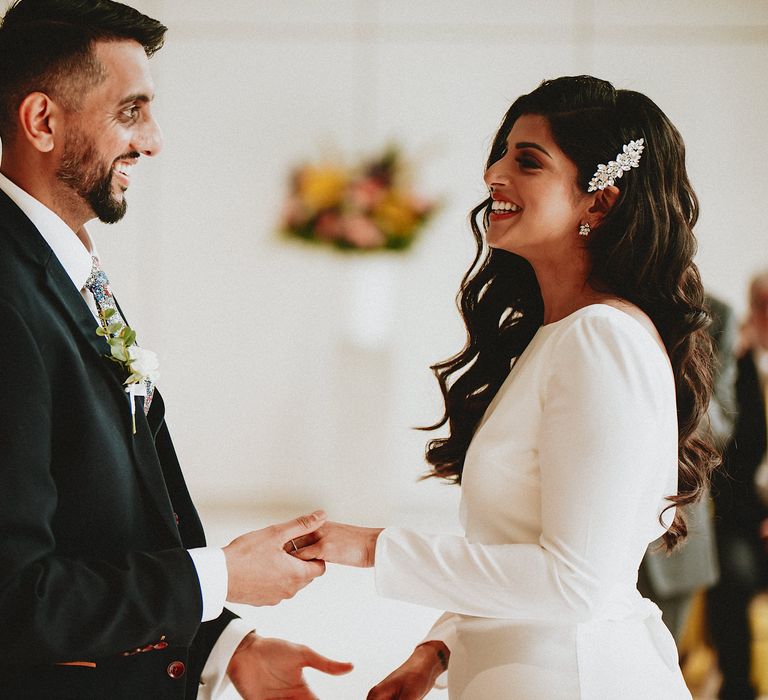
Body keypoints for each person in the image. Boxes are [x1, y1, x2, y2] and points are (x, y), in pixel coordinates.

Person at [292, 75, 718, 699]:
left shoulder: (600, 337)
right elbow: (520, 549)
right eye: (501, 154)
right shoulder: (556, 335)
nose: (494, 173)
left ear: (597, 204)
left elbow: (577, 583)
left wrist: (371, 547)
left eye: (527, 161)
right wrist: (438, 649)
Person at [0, 1, 351, 698]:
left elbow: (98, 520)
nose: (153, 141)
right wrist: (219, 574)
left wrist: (223, 642)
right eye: (130, 112)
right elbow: (18, 602)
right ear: (43, 121)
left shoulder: (61, 267)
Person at [638, 294, 738, 644]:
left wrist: (675, 389)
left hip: (677, 535)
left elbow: (721, 427)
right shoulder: (597, 297)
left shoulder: (717, 312)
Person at [707, 271, 768, 700]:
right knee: (733, 575)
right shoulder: (736, 360)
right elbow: (723, 447)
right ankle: (737, 687)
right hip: (740, 512)